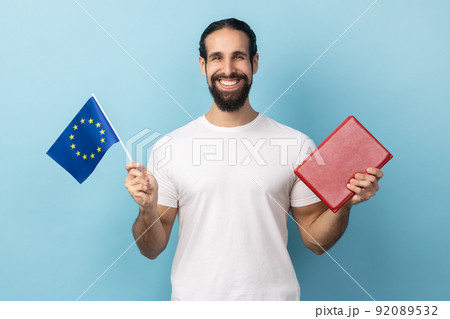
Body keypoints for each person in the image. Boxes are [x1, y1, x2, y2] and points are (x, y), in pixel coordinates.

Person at [124, 18, 383, 301]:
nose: (228, 69)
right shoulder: (168, 148)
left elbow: (315, 241)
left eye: (238, 57)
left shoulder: (295, 144)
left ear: (254, 62)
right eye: (217, 58)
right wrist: (148, 211)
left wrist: (344, 203)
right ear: (203, 66)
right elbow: (152, 248)